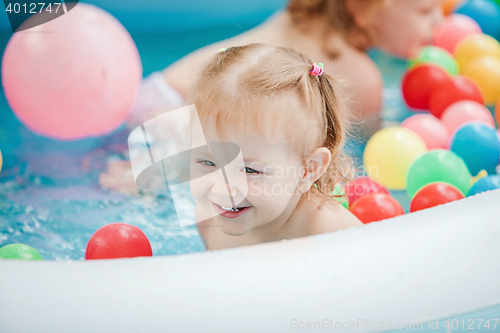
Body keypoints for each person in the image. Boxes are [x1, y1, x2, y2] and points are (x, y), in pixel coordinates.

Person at [128, 0, 444, 138]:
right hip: (179, 121)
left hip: (154, 94)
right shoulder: (360, 78)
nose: (439, 22)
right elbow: (372, 152)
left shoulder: (296, 18)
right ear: (363, 8)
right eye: (426, 10)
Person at [187, 44, 363, 251]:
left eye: (250, 170)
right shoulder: (208, 219)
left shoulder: (335, 235)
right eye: (208, 162)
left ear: (308, 170)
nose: (222, 189)